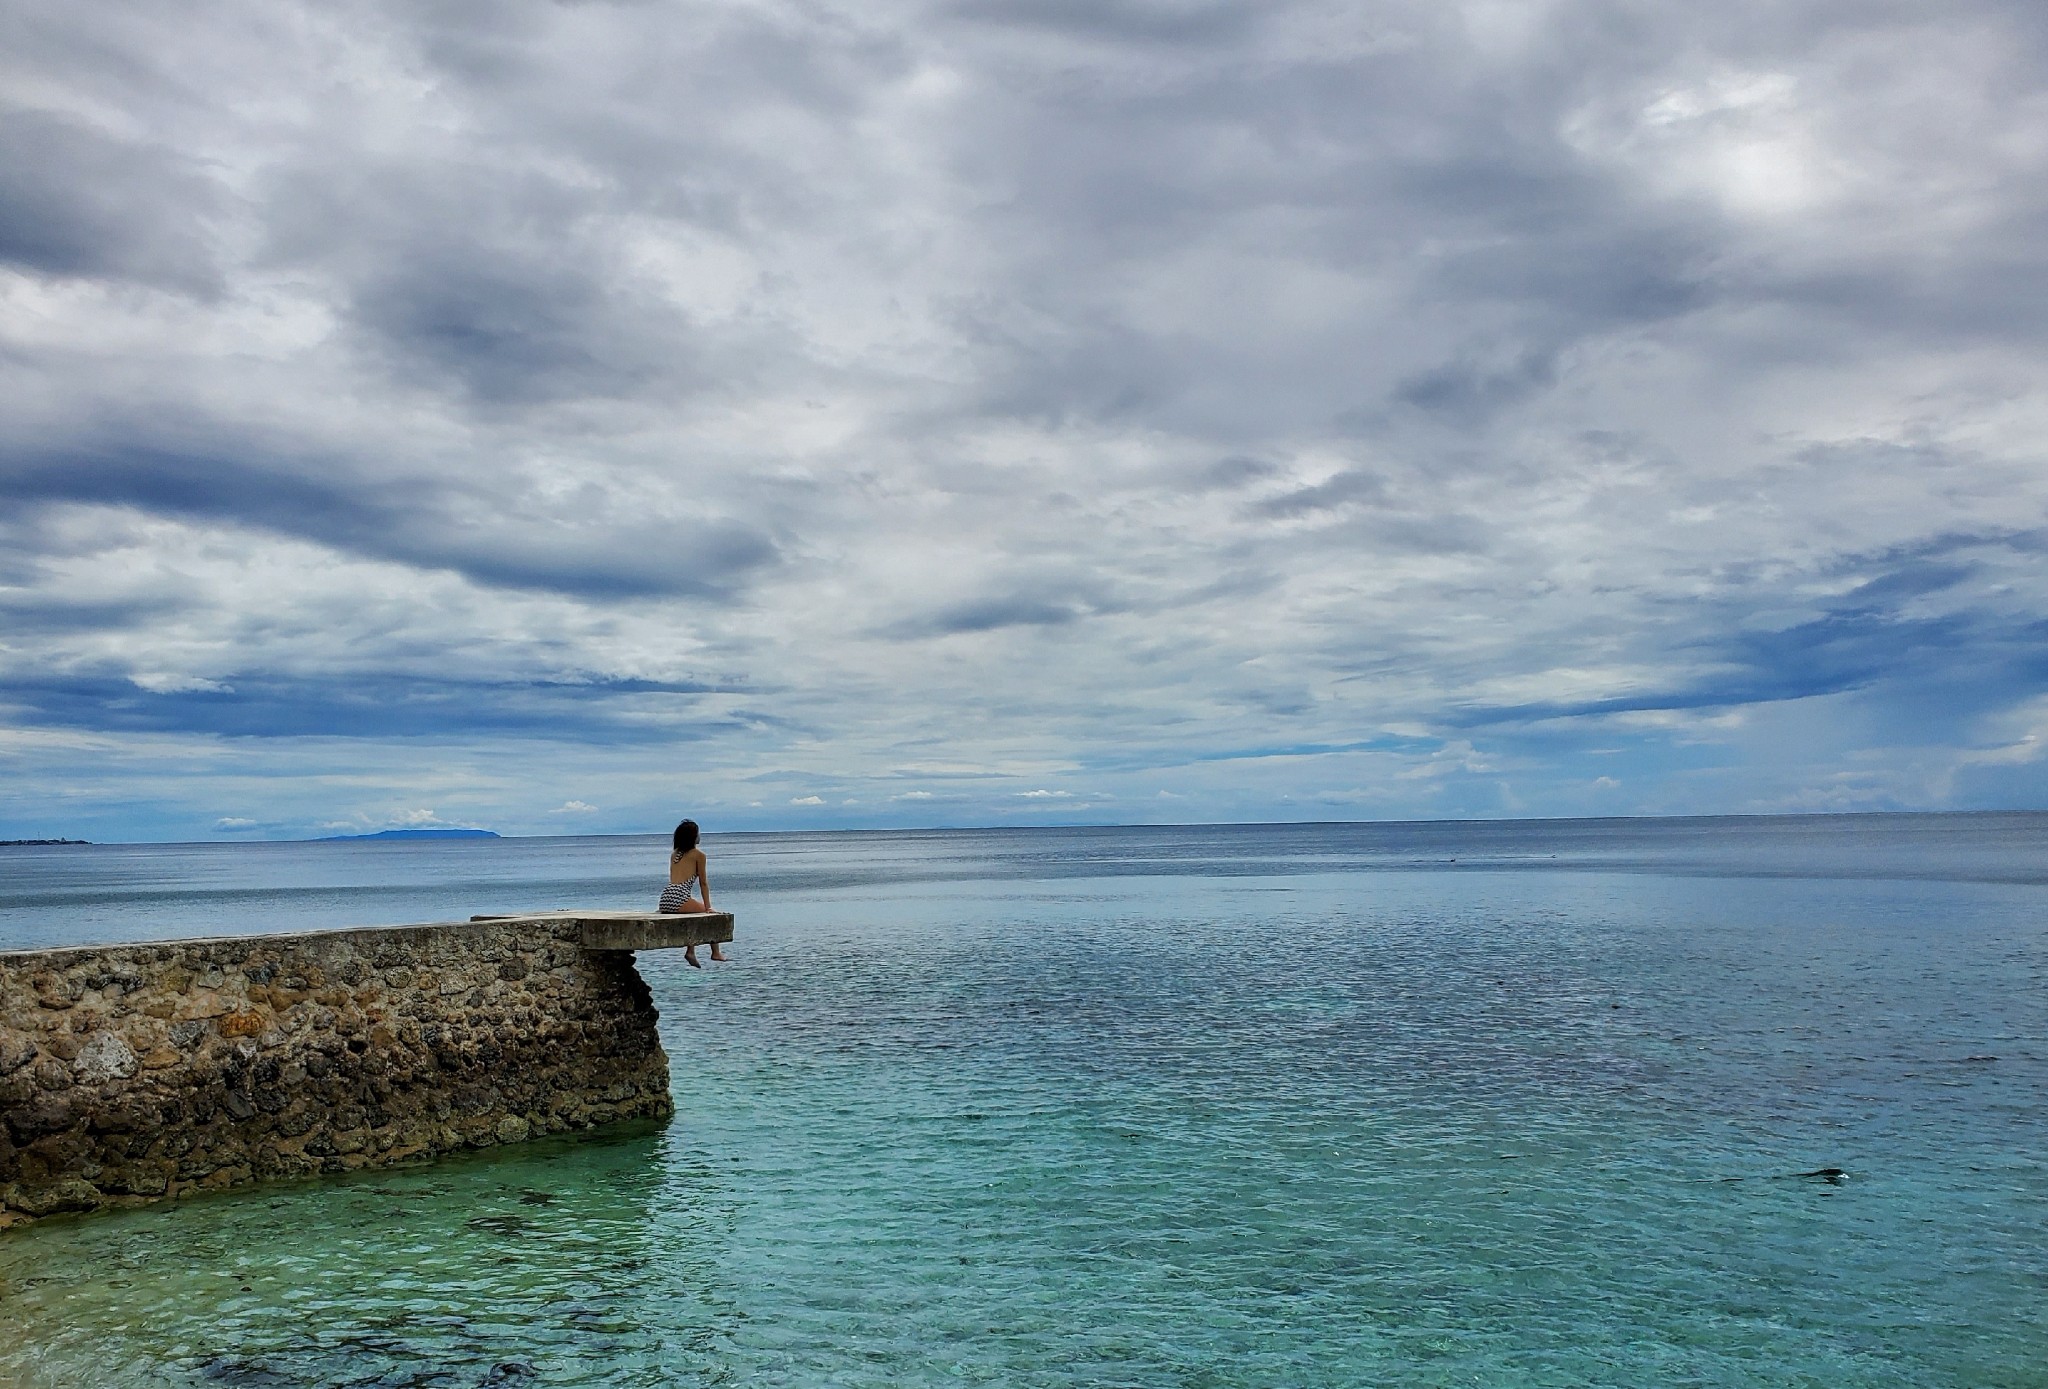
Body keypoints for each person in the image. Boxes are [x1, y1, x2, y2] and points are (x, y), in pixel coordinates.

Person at [657, 819, 727, 968]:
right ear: (693, 837)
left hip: (666, 897)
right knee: (713, 918)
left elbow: (674, 878)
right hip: (679, 896)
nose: (700, 836)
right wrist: (708, 907)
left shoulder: (675, 854)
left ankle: (691, 951)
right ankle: (716, 953)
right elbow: (703, 883)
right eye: (698, 833)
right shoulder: (698, 855)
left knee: (693, 916)